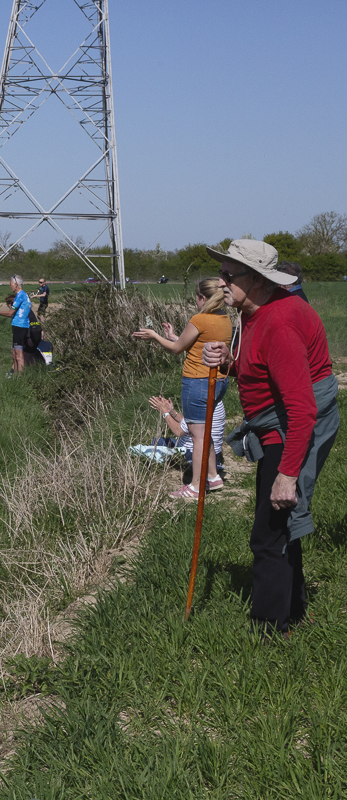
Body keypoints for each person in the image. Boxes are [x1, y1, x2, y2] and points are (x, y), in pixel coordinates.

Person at [202, 238, 339, 637]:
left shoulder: (279, 322)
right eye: (222, 274)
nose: (222, 282)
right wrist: (229, 364)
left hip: (290, 427)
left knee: (269, 533)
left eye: (229, 275)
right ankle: (292, 611)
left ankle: (269, 628)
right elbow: (259, 369)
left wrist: (287, 473)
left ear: (259, 280)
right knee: (280, 525)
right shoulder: (253, 311)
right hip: (279, 421)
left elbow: (303, 409)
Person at [132, 277, 231, 498]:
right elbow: (194, 346)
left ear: (202, 298)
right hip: (218, 381)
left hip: (197, 382)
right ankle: (213, 477)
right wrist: (173, 336)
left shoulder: (200, 318)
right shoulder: (224, 319)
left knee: (197, 437)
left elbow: (177, 349)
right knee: (205, 434)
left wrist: (155, 336)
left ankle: (195, 486)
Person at [146, 395, 226, 479]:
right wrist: (172, 412)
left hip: (192, 452)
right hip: (214, 454)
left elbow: (179, 431)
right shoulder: (216, 402)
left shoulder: (198, 403)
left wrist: (165, 412)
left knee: (157, 442)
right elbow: (191, 423)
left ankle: (153, 469)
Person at [0, 275, 32, 374]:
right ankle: (14, 376)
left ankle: (20, 379)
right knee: (14, 354)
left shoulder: (20, 296)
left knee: (19, 355)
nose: (10, 286)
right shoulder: (22, 295)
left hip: (20, 327)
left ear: (16, 284)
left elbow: (10, 313)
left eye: (10, 284)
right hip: (18, 327)